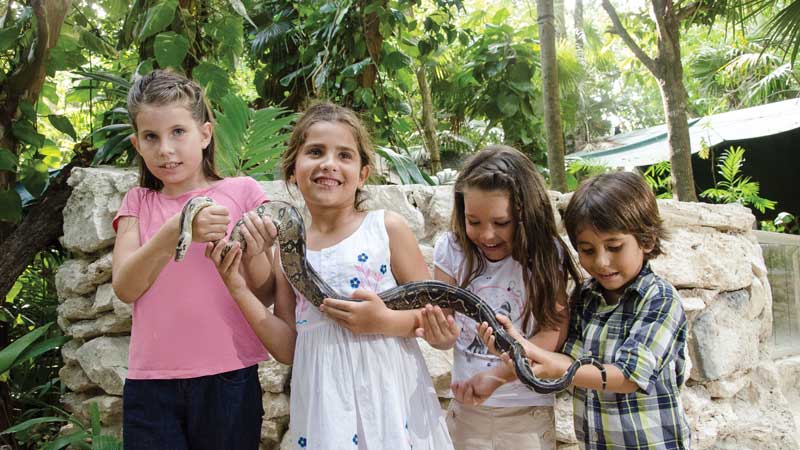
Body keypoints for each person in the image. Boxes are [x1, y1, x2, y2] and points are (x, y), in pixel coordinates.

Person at [208, 102, 452, 450]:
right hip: (325, 407)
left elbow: (437, 321)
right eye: (316, 152)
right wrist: (237, 285)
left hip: (390, 400)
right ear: (293, 170)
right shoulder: (288, 254)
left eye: (344, 155)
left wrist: (382, 321)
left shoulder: (386, 229)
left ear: (363, 174)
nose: (329, 164)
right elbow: (287, 348)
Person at [112, 69, 273, 450]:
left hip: (229, 375)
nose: (165, 149)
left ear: (205, 133)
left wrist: (255, 251)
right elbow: (125, 286)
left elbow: (265, 292)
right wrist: (176, 230)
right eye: (151, 137)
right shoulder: (138, 202)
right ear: (137, 143)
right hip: (151, 383)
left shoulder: (243, 192)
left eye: (178, 132)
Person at [481, 171, 691, 449]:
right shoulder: (585, 296)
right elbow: (567, 363)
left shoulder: (659, 299)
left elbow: (628, 376)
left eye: (614, 247)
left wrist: (553, 364)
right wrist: (516, 350)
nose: (602, 262)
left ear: (647, 240)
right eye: (587, 250)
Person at [416, 145, 581, 450]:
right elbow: (444, 327)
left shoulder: (546, 255)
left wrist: (499, 375)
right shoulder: (450, 250)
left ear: (525, 214)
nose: (487, 235)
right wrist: (440, 336)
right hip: (468, 408)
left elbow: (552, 330)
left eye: (501, 223)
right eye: (474, 222)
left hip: (526, 410)